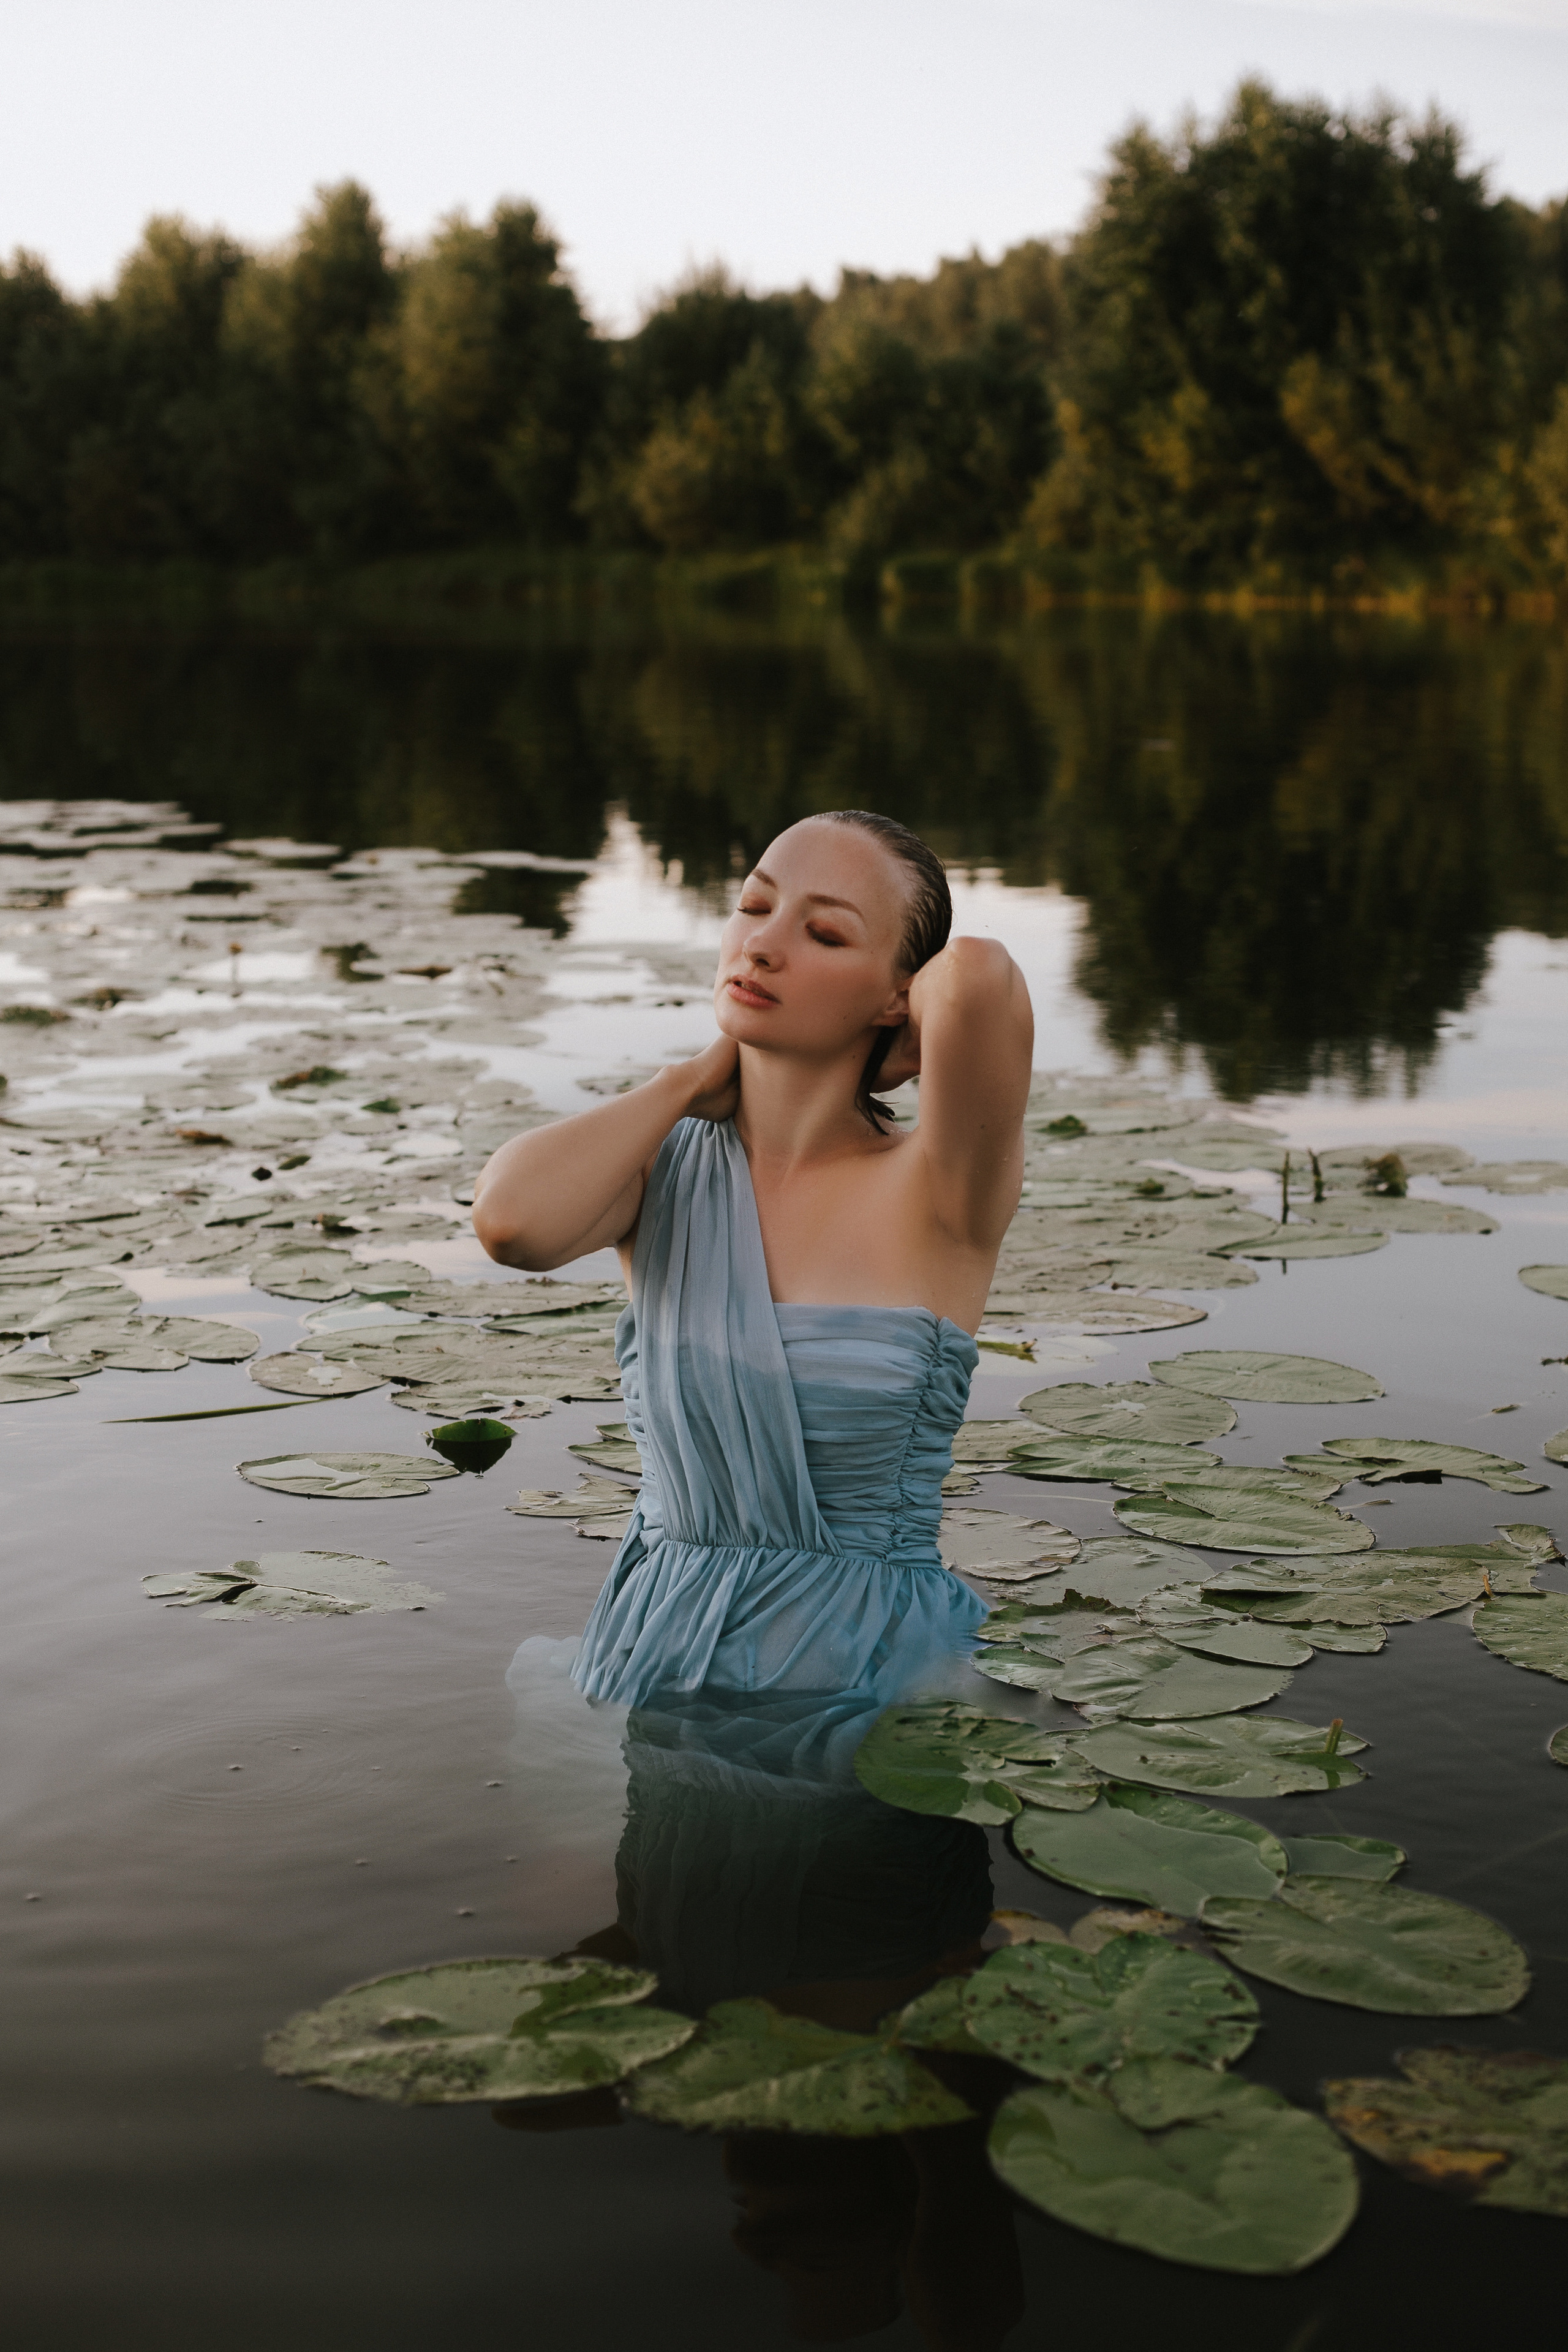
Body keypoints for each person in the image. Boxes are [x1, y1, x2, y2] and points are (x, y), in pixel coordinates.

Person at [473, 809, 1033, 1716]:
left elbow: (977, 979)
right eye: (753, 907)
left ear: (900, 993)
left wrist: (902, 1043)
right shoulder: (661, 1173)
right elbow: (509, 1226)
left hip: (865, 1678)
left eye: (823, 932)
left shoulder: (940, 1188)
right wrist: (687, 1082)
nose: (763, 945)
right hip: (653, 1650)